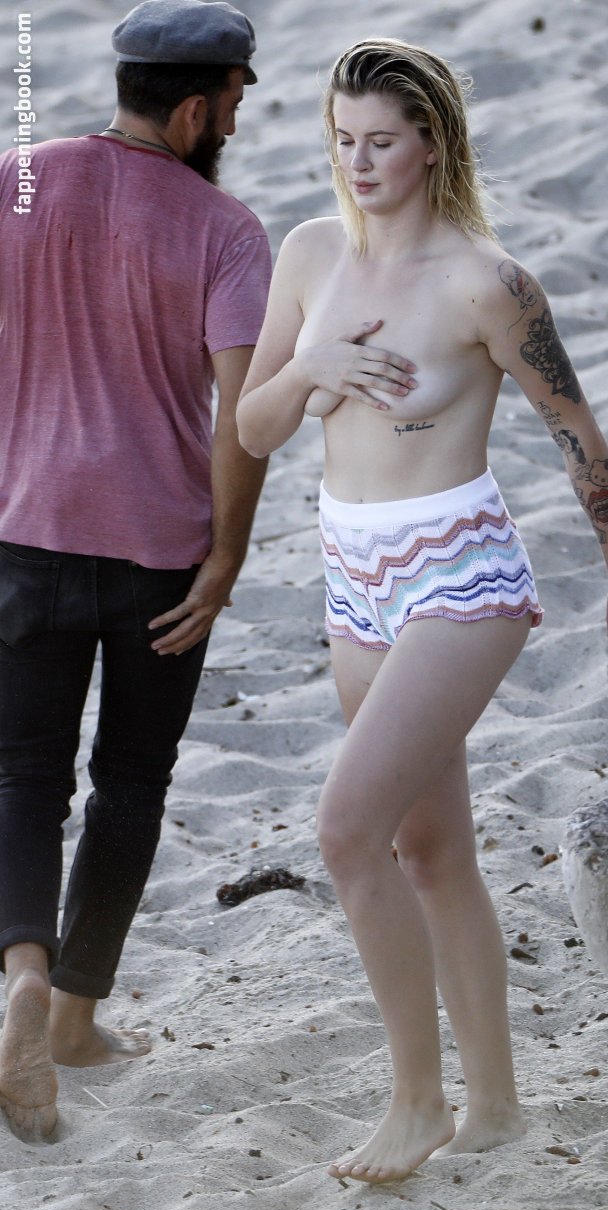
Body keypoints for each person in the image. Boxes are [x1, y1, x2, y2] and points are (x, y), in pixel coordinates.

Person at [237, 37, 608, 1183]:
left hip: (458, 575)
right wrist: (313, 366)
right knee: (430, 848)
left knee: (347, 829)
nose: (357, 162)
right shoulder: (310, 254)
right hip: (352, 575)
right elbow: (253, 428)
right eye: (342, 140)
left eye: (380, 142)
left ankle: (416, 1099)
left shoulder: (487, 282)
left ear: (430, 143)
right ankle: (499, 1106)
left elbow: (574, 427)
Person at [0, 0, 270, 1141]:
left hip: (27, 528)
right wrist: (227, 555)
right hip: (162, 553)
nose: (235, 126)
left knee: (21, 775)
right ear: (197, 109)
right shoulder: (226, 230)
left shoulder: (17, 181)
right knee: (131, 781)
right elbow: (243, 417)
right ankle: (71, 1017)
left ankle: (21, 972)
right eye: (236, 105)